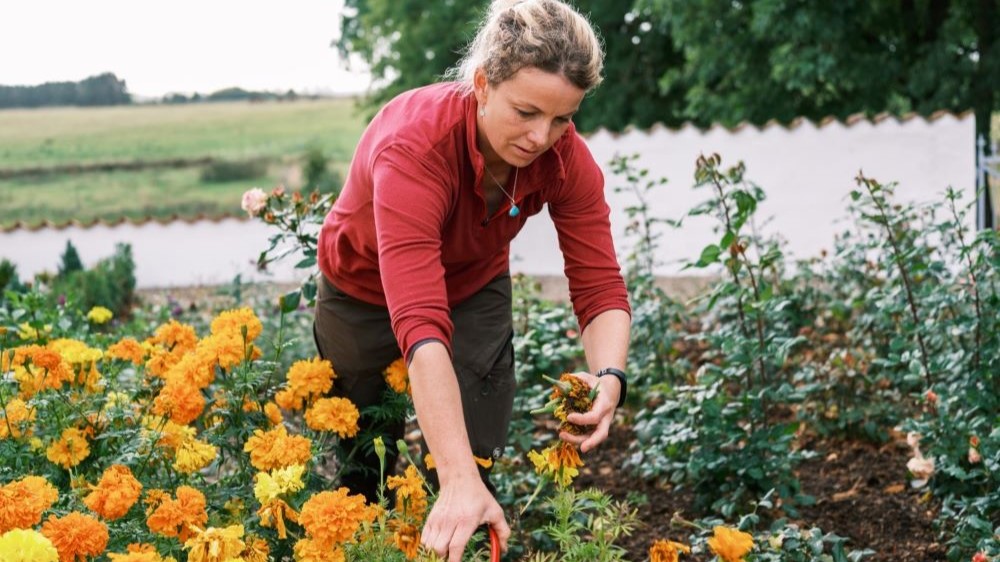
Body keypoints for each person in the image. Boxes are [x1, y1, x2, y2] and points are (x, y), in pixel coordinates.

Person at [313, 0, 631, 559]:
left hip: (474, 282)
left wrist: (610, 377)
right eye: (526, 111)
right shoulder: (414, 147)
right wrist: (457, 479)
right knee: (365, 451)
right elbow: (420, 321)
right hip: (362, 290)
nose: (541, 138)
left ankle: (464, 524)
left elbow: (599, 282)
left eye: (562, 119)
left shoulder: (566, 160)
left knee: (475, 452)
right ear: (482, 84)